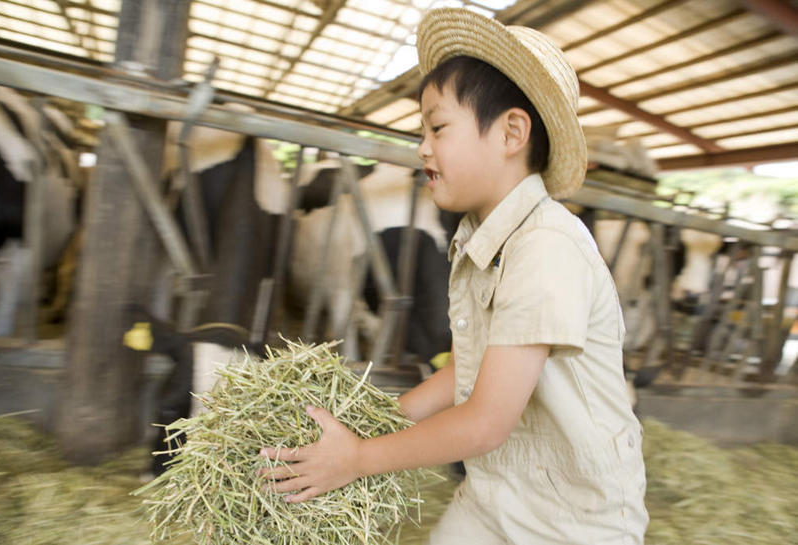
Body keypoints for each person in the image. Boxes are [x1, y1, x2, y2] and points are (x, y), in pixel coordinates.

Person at [259, 8, 648, 544]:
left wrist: (358, 459)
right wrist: (384, 417)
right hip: (496, 495)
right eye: (423, 130)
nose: (422, 146)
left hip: (573, 520)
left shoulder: (547, 246)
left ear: (512, 132)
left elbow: (485, 423)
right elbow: (473, 363)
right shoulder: (479, 241)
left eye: (438, 127)